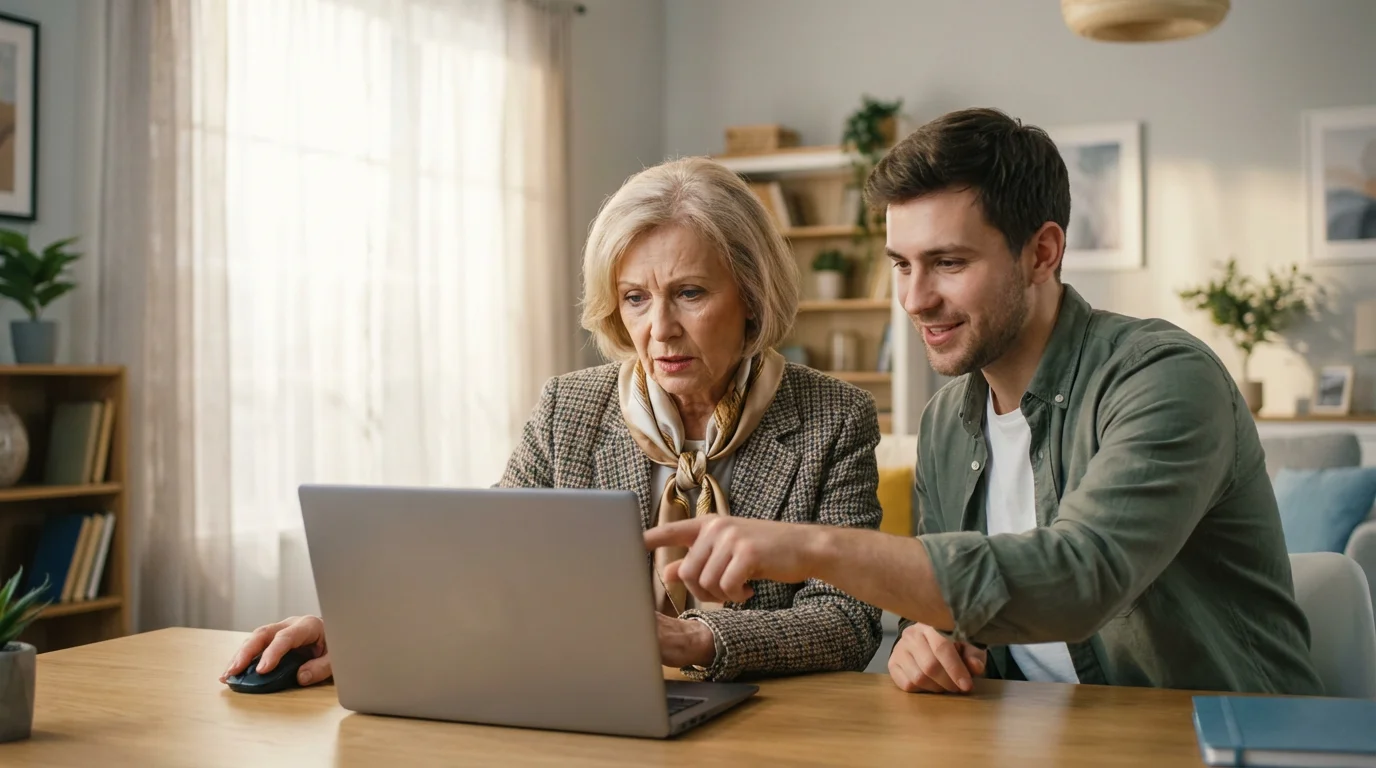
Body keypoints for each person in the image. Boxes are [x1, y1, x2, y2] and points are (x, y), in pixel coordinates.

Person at [644, 108, 1325, 697]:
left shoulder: (1163, 379)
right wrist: (922, 642)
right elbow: (946, 612)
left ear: (1042, 253)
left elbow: (1077, 579)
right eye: (902, 265)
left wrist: (815, 548)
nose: (914, 300)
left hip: (1222, 739)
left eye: (948, 263)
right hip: (1042, 737)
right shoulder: (949, 420)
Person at [220, 156, 884, 689]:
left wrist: (697, 639)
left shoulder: (833, 418)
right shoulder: (568, 409)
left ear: (751, 295)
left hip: (766, 731)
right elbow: (483, 563)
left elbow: (848, 621)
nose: (659, 330)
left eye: (690, 292)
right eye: (635, 298)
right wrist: (361, 627)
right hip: (588, 709)